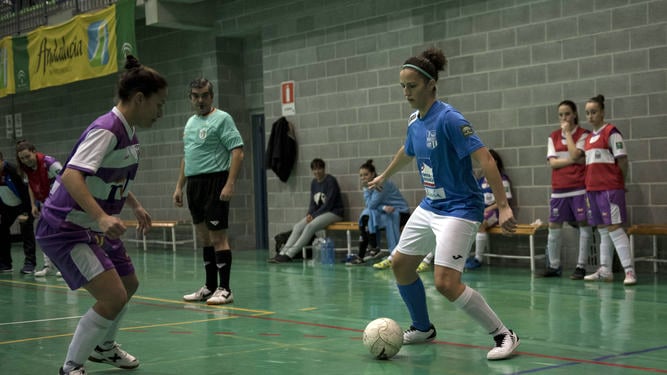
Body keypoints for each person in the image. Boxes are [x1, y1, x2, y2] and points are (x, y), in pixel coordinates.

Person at [368, 47, 520, 360]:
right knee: (400, 264)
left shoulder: (450, 119)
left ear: (430, 85)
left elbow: (486, 159)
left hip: (461, 207)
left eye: (412, 86)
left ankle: (504, 334)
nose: (406, 92)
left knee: (446, 283)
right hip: (431, 205)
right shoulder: (414, 120)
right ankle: (422, 328)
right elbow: (408, 150)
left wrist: (503, 205)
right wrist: (384, 174)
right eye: (403, 87)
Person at [34, 55, 167, 375]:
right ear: (139, 99)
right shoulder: (107, 129)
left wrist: (132, 203)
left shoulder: (128, 130)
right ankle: (71, 366)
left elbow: (107, 177)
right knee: (112, 296)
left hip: (92, 227)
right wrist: (103, 218)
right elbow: (71, 176)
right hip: (66, 228)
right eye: (158, 104)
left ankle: (104, 348)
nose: (160, 112)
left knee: (128, 283)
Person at [174, 78, 244, 305]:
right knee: (204, 237)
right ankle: (210, 286)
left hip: (215, 181)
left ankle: (225, 288)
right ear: (190, 98)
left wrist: (229, 183)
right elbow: (187, 157)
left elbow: (237, 152)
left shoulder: (223, 119)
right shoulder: (189, 123)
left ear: (211, 96)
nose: (200, 100)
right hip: (195, 185)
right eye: (196, 96)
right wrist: (179, 186)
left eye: (204, 95)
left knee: (218, 237)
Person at [572, 94, 636, 285]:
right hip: (592, 189)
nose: (590, 116)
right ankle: (605, 270)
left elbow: (623, 160)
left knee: (615, 228)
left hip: (610, 188)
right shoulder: (589, 138)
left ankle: (629, 271)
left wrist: (620, 183)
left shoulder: (612, 132)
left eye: (594, 112)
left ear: (602, 112)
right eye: (587, 113)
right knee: (602, 230)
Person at [543, 100, 593, 279]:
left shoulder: (584, 134)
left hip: (579, 188)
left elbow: (574, 153)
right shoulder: (552, 137)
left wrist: (567, 134)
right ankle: (554, 266)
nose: (564, 118)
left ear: (574, 114)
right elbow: (553, 163)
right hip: (559, 189)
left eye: (567, 114)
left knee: (584, 225)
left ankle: (581, 266)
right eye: (561, 115)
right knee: (554, 225)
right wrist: (575, 161)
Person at [268, 158, 344, 263]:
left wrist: (313, 216)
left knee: (310, 226)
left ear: (324, 169)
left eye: (319, 169)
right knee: (298, 226)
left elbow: (328, 204)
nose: (317, 172)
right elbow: (312, 203)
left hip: (334, 212)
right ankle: (282, 253)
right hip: (318, 214)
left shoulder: (331, 181)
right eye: (314, 169)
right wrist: (309, 214)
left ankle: (290, 254)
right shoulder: (314, 183)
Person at [346, 159, 410, 266]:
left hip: (400, 212)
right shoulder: (368, 186)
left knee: (367, 214)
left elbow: (371, 204)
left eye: (365, 175)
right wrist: (384, 207)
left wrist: (381, 206)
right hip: (385, 212)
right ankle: (371, 249)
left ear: (372, 174)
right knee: (366, 216)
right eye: (361, 175)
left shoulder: (381, 182)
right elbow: (370, 205)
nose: (363, 178)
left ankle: (374, 249)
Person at [16, 140, 63, 277]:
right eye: (22, 158)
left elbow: (65, 181)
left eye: (27, 156)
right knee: (43, 235)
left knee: (60, 235)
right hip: (45, 204)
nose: (25, 160)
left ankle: (66, 267)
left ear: (34, 152)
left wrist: (57, 204)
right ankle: (48, 266)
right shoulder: (27, 169)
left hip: (60, 204)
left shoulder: (51, 164)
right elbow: (31, 185)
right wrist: (33, 204)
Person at [464, 149, 512, 270]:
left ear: (495, 162)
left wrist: (487, 209)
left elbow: (505, 200)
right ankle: (462, 257)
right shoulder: (481, 181)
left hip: (494, 211)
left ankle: (478, 258)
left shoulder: (502, 179)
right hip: (480, 210)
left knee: (481, 224)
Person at [0, 151, 36, 274]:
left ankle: (30, 263)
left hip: (23, 204)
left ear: (1, 161)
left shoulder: (14, 170)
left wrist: (26, 212)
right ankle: (5, 264)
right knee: (2, 230)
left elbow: (26, 191)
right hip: (7, 206)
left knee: (26, 230)